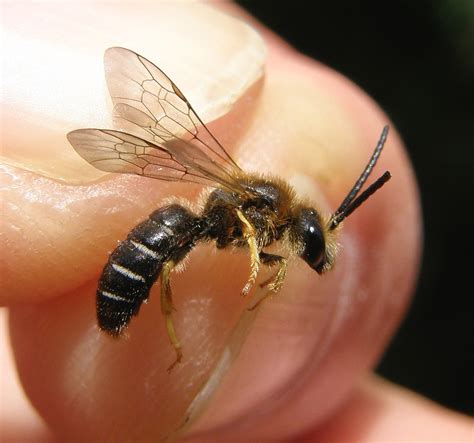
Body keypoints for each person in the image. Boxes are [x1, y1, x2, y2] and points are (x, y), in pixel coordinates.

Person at [1, 2, 471, 441]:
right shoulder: (257, 210)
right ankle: (169, 336)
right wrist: (252, 259)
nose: (309, 249)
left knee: (174, 267)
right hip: (165, 235)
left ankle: (171, 339)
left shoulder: (269, 226)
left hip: (174, 234)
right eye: (309, 241)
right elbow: (241, 225)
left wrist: (270, 267)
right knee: (166, 263)